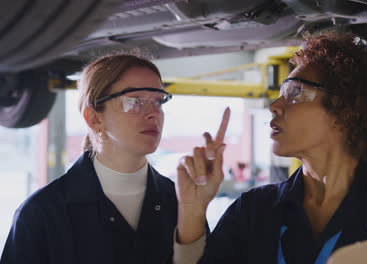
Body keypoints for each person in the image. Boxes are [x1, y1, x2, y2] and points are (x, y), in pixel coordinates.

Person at [174, 31, 367, 263]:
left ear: (347, 110)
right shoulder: (254, 210)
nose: (275, 105)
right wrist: (193, 211)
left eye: (294, 92)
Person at [0, 53, 211, 264]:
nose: (153, 113)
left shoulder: (181, 203)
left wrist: (193, 214)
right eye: (135, 101)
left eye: (158, 101)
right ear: (94, 118)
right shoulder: (42, 213)